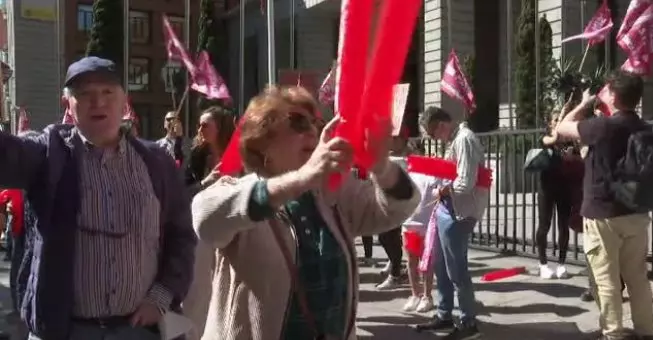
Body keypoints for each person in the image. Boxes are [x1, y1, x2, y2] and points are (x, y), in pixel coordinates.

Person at [188, 86, 420, 339]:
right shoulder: (237, 191)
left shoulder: (333, 195)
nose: (312, 130)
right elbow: (205, 218)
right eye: (298, 122)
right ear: (263, 141)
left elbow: (400, 207)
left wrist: (380, 165)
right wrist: (302, 178)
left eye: (316, 123)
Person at [0, 56, 197, 340]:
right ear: (68, 103)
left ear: (124, 102)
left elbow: (181, 236)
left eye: (107, 92)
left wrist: (162, 295)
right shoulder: (49, 154)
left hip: (138, 331)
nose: (98, 102)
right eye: (85, 94)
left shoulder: (156, 163)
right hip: (66, 331)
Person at [555, 71, 653, 340]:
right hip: (636, 211)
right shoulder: (644, 127)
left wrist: (584, 104)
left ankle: (613, 333)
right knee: (637, 279)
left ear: (613, 95)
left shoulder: (603, 127)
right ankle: (647, 332)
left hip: (603, 214)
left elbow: (561, 128)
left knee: (606, 280)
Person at [415, 106, 488, 340]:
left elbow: (466, 182)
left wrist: (444, 189)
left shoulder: (464, 139)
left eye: (435, 134)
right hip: (447, 209)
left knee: (457, 269)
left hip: (459, 212)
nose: (436, 139)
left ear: (442, 125)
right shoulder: (455, 140)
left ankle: (469, 322)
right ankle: (445, 313)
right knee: (440, 266)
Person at [536, 109, 583, 279]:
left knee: (563, 226)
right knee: (544, 225)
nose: (559, 121)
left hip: (564, 188)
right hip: (546, 188)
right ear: (550, 123)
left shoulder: (570, 143)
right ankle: (542, 264)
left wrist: (573, 158)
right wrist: (561, 126)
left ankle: (562, 264)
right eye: (556, 119)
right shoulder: (545, 138)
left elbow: (581, 159)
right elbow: (551, 139)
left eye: (560, 119)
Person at [401, 139, 439, 313]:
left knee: (426, 263)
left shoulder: (431, 171)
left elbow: (438, 192)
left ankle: (427, 296)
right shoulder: (406, 172)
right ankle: (415, 294)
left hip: (425, 223)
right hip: (409, 222)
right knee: (411, 261)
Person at [375, 131, 409, 290]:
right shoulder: (386, 155)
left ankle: (396, 273)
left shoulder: (407, 158)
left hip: (399, 205)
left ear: (402, 140)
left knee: (389, 237)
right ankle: (395, 265)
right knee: (385, 237)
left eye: (394, 139)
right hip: (385, 202)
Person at [185, 106, 236, 194]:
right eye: (199, 126)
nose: (199, 130)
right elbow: (185, 192)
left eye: (205, 126)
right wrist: (206, 181)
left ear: (220, 128)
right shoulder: (196, 155)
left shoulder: (238, 154)